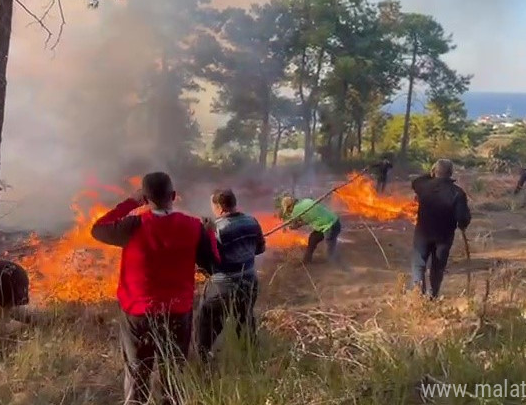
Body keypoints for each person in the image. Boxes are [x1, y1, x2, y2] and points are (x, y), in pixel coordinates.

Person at [91, 172, 219, 405]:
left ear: (145, 198)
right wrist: (210, 232)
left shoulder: (133, 225)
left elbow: (98, 229)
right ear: (173, 196)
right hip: (178, 313)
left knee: (137, 374)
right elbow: (212, 266)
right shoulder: (194, 227)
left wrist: (131, 203)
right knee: (173, 375)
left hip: (137, 313)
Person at [196, 189, 265, 363]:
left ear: (219, 207)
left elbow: (206, 261)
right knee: (245, 318)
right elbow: (260, 249)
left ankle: (204, 359)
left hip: (223, 286)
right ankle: (251, 359)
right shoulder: (252, 221)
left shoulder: (215, 228)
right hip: (249, 281)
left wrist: (204, 234)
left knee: (207, 322)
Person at [410, 159, 471, 299]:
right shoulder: (457, 193)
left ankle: (417, 296)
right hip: (444, 236)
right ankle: (433, 296)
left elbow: (416, 181)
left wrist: (431, 173)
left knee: (419, 264)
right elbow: (462, 218)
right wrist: (463, 225)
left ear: (434, 171)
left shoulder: (423, 186)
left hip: (423, 233)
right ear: (450, 173)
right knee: (437, 268)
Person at [280, 195, 341, 265]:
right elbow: (309, 218)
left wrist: (290, 227)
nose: (289, 212)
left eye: (288, 210)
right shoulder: (306, 200)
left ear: (289, 207)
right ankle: (307, 260)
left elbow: (295, 225)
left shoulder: (295, 212)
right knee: (313, 238)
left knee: (330, 250)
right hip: (335, 222)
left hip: (329, 226)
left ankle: (336, 268)